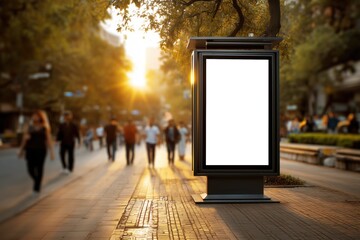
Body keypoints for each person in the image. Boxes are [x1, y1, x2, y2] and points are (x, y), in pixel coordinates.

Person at [18, 110, 55, 193]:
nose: (35, 117)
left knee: (39, 168)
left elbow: (49, 140)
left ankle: (37, 187)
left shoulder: (45, 127)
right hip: (30, 150)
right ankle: (37, 180)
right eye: (34, 115)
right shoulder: (29, 127)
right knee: (30, 168)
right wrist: (21, 150)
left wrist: (52, 153)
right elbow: (24, 139)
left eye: (37, 116)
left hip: (41, 150)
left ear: (41, 117)